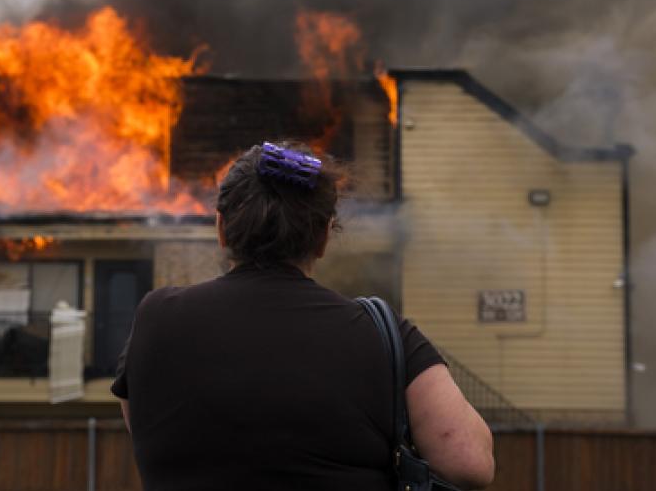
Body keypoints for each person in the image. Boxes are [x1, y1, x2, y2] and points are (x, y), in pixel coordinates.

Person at [111, 141, 495, 490]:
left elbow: (142, 424)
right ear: (324, 238)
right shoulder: (383, 334)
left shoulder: (156, 320)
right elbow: (470, 463)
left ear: (221, 228)